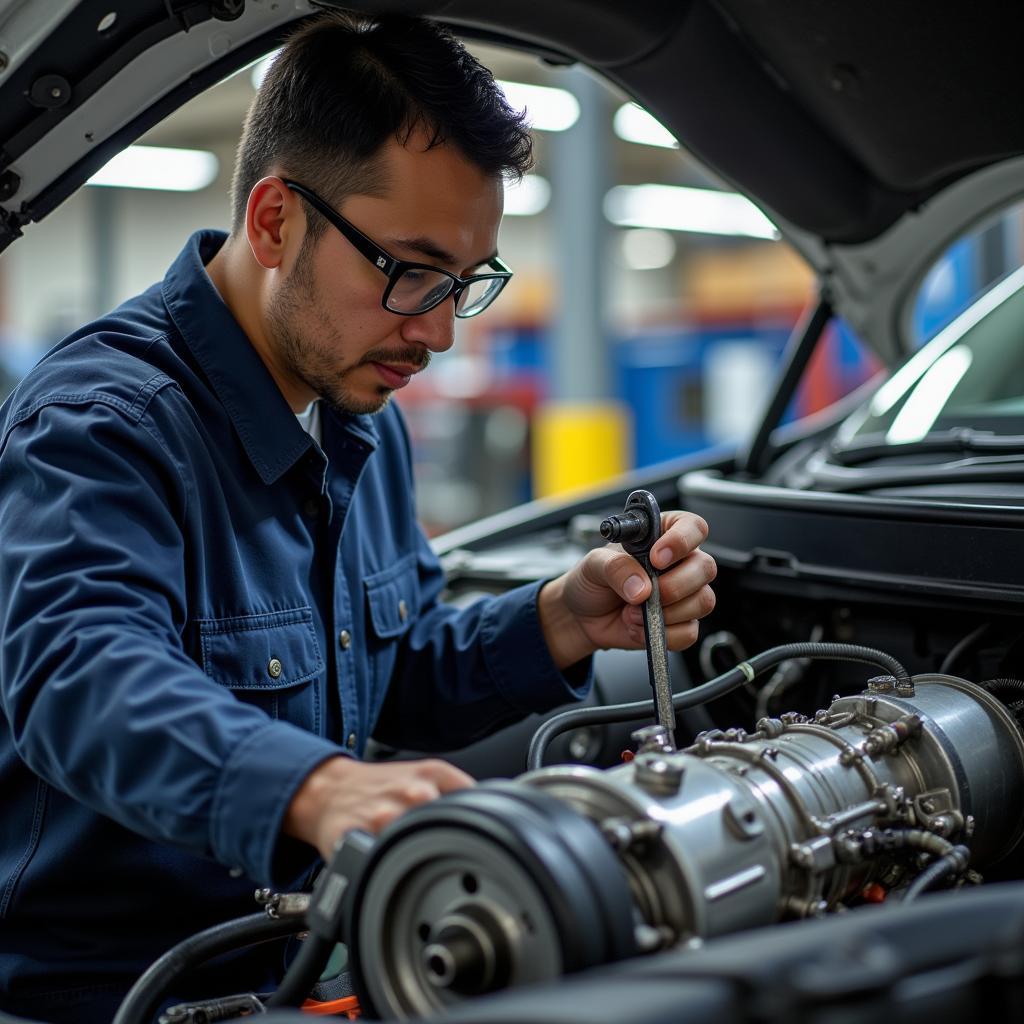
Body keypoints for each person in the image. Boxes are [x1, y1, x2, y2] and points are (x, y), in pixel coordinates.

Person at [0, 13, 717, 1022]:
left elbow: (393, 668)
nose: (434, 330)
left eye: (462, 284)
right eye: (409, 270)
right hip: (111, 995)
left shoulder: (356, 415)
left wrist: (557, 617)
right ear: (275, 221)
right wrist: (316, 788)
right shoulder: (103, 423)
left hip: (306, 964)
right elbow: (77, 674)